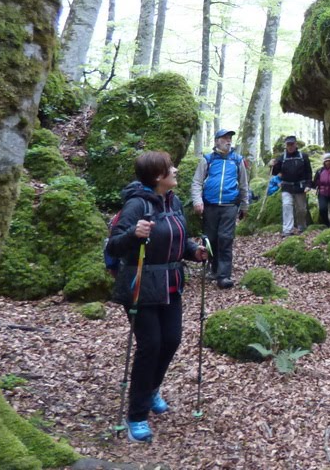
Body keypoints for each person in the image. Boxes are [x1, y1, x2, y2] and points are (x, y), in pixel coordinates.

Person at [106, 151, 207, 443]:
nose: (175, 170)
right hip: (141, 285)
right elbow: (114, 246)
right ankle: (136, 414)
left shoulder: (174, 201)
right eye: (169, 168)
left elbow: (178, 240)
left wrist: (194, 251)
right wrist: (134, 234)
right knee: (150, 346)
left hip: (171, 283)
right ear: (156, 176)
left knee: (171, 339)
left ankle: (151, 389)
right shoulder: (136, 204)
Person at [191, 129, 249, 289]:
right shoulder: (208, 159)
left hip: (230, 205)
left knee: (225, 238)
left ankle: (224, 276)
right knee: (210, 239)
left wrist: (245, 205)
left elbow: (244, 184)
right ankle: (213, 268)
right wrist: (197, 201)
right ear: (217, 141)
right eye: (224, 138)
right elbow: (197, 182)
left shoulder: (237, 160)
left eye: (230, 138)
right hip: (210, 205)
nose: (228, 141)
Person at [270, 135, 312, 236]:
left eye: (292, 144)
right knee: (287, 206)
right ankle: (287, 230)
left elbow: (309, 172)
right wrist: (272, 165)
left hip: (300, 187)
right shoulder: (282, 157)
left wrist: (308, 185)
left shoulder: (303, 156)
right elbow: (275, 172)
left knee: (301, 209)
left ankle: (301, 226)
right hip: (286, 187)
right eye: (288, 144)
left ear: (296, 144)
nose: (290, 146)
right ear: (286, 145)